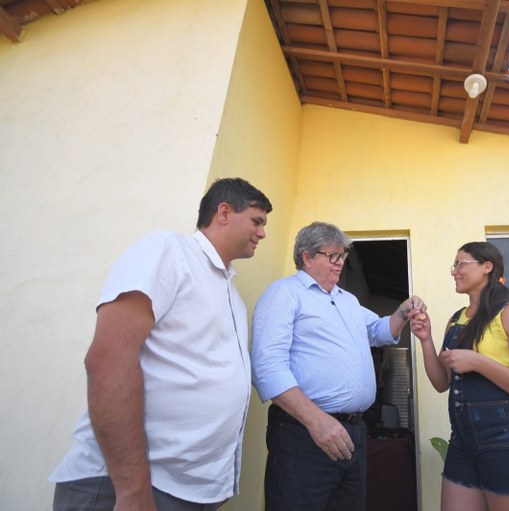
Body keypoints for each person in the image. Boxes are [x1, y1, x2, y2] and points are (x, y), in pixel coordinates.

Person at [49, 178, 273, 511]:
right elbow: (108, 359)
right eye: (257, 221)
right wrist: (132, 491)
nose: (263, 233)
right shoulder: (169, 251)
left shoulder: (231, 293)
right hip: (130, 488)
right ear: (224, 212)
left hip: (187, 493)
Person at [250, 221, 425, 511]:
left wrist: (403, 311)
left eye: (342, 255)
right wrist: (317, 421)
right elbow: (267, 366)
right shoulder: (284, 293)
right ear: (307, 257)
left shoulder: (348, 301)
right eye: (332, 256)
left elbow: (380, 331)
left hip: (353, 432)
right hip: (304, 433)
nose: (340, 262)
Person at [410, 241, 509, 511]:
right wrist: (426, 340)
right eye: (454, 265)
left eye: (460, 264)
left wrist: (479, 363)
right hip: (462, 442)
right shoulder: (456, 319)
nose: (454, 271)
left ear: (487, 267)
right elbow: (442, 383)